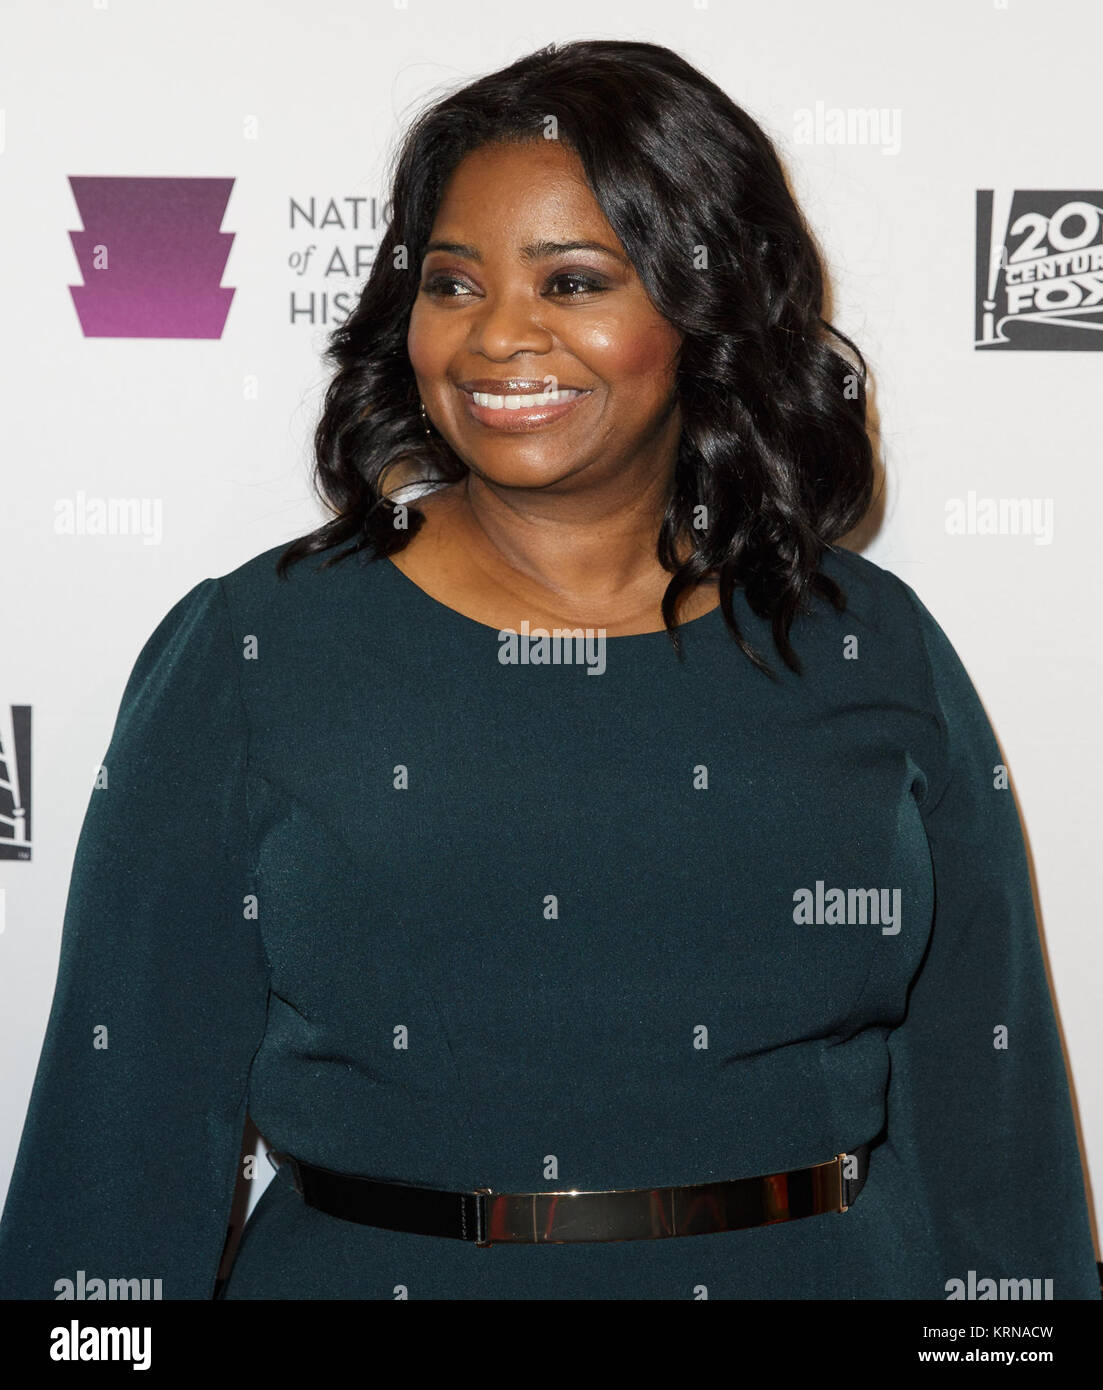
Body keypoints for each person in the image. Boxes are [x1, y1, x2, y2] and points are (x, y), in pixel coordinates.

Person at [0, 39, 1097, 1301]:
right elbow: (117, 1137)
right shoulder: (254, 651)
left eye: (570, 280)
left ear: (705, 312)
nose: (496, 339)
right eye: (453, 285)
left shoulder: (868, 642)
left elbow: (989, 1119)